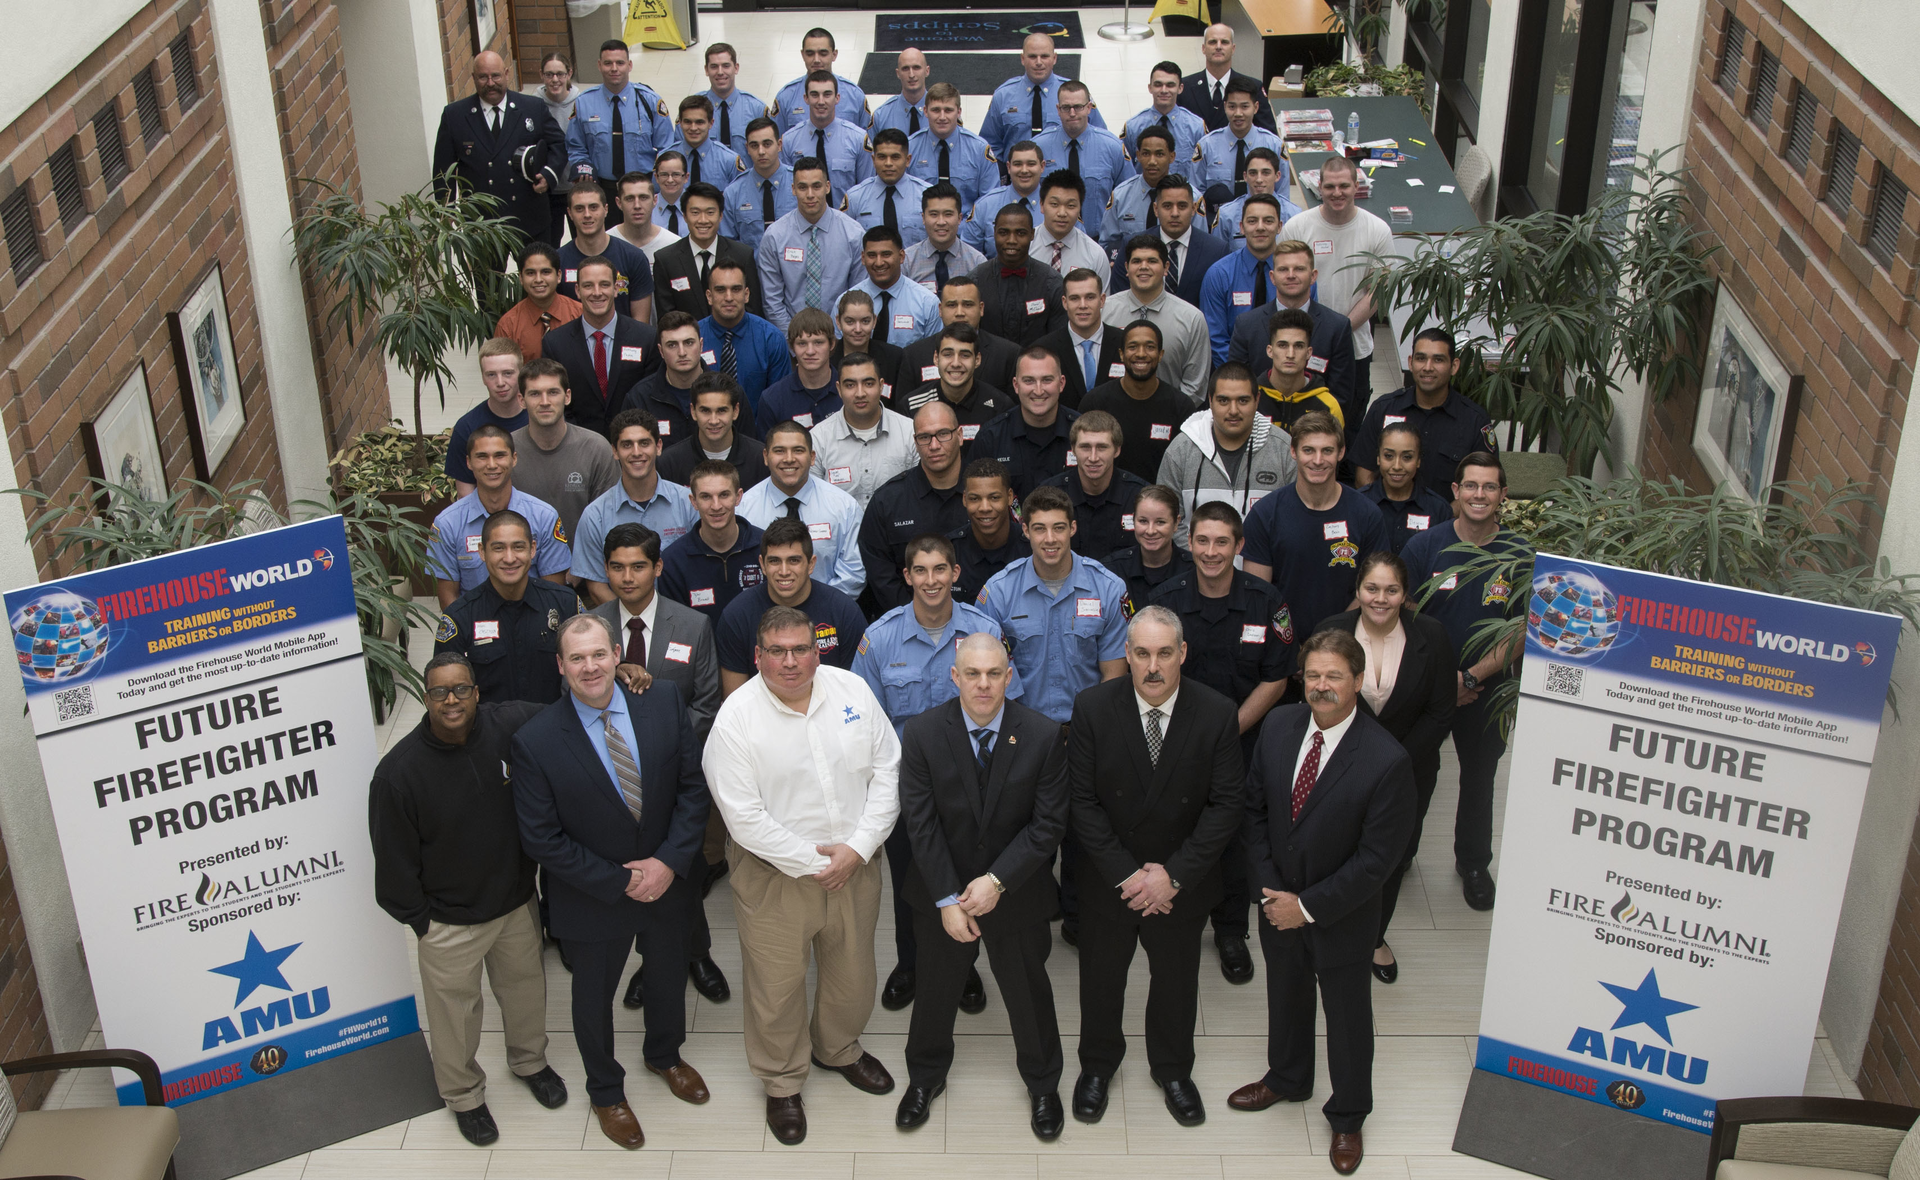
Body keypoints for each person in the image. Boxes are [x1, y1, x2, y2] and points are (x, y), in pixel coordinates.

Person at [511, 614, 712, 1149]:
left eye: (599, 654)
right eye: (576, 658)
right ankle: (604, 1090)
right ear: (560, 666)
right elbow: (542, 838)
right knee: (592, 998)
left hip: (668, 880)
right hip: (594, 893)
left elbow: (693, 790)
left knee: (668, 974)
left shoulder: (664, 702)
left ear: (618, 652)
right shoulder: (534, 741)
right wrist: (619, 879)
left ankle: (664, 1056)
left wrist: (667, 862)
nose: (590, 667)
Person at [704, 604, 898, 1146]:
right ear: (758, 656)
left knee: (853, 972)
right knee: (777, 986)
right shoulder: (736, 718)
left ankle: (838, 1049)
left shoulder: (852, 692)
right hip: (775, 877)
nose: (791, 662)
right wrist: (819, 863)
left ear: (818, 650)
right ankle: (782, 1080)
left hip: (856, 865)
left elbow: (888, 770)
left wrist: (857, 850)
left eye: (801, 650)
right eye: (778, 652)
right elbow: (742, 817)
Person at [1236, 628, 1416, 1177]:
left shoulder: (1387, 761)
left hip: (1339, 916)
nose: (1321, 686)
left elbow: (1376, 862)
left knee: (1347, 1017)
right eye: (1312, 675)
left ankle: (1347, 1115)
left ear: (1358, 682)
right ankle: (1288, 1078)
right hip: (1276, 905)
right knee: (1285, 994)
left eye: (1334, 676)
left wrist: (1306, 906)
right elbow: (1254, 812)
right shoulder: (1278, 725)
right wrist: (1271, 893)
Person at [370, 652, 569, 1146]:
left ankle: (530, 1063)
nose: (451, 700)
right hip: (447, 921)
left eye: (461, 689)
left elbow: (572, 707)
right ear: (425, 697)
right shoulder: (397, 774)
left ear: (478, 693)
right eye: (439, 692)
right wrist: (422, 922)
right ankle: (463, 1095)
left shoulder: (510, 725)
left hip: (515, 904)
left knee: (525, 994)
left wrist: (623, 673)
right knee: (455, 1017)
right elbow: (392, 863)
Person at [1067, 606, 1244, 1128]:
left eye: (1164, 653)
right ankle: (1097, 1066)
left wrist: (1172, 875)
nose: (1152, 666)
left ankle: (1172, 1069)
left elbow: (1226, 805)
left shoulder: (1215, 712)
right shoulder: (1093, 708)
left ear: (1183, 654)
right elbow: (1081, 802)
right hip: (1109, 882)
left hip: (1179, 883)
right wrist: (1127, 875)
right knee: (1100, 980)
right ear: (1127, 653)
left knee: (1175, 981)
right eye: (1141, 653)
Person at [895, 632, 1067, 1139]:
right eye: (973, 673)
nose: (984, 684)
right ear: (955, 676)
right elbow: (920, 824)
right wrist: (949, 898)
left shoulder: (1043, 734)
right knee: (935, 991)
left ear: (1010, 676)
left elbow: (1048, 826)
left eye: (995, 673)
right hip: (941, 894)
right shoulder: (923, 733)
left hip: (1016, 891)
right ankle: (925, 1078)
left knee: (1028, 993)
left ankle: (1043, 1084)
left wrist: (995, 882)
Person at [852, 535, 1013, 1015]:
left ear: (955, 574)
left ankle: (965, 968)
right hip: (909, 791)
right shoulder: (879, 638)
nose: (931, 580)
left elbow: (1007, 703)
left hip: (975, 787)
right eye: (920, 571)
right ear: (906, 577)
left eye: (940, 569)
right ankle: (910, 965)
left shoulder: (985, 632)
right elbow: (863, 721)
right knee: (912, 885)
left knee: (970, 881)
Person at [1147, 502, 1294, 985]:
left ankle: (1230, 930)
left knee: (1234, 839)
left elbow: (1276, 678)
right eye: (1203, 541)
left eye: (1222, 542)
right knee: (1178, 830)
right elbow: (1151, 673)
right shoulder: (1166, 600)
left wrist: (1225, 732)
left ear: (1239, 546)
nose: (1211, 552)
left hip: (1242, 744)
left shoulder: (1267, 602)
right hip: (1175, 745)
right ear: (1190, 543)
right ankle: (1174, 909)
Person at [590, 524, 730, 1009]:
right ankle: (652, 963)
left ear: (658, 567)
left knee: (683, 873)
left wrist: (660, 760)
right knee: (637, 877)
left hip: (676, 779)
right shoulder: (590, 627)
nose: (627, 577)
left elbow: (708, 704)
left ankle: (697, 956)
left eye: (638, 566)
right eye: (617, 567)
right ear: (605, 569)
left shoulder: (691, 625)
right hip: (612, 782)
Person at [1313, 552, 1455, 984]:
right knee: (1333, 852)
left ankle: (1374, 937)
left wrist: (1390, 765)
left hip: (1408, 772)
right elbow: (1313, 701)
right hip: (1336, 770)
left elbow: (1441, 711)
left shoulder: (1431, 635)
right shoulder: (1329, 632)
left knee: (1389, 860)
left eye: (1391, 589)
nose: (1380, 598)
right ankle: (1324, 926)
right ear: (1357, 591)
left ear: (1405, 594)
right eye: (1371, 588)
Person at [1398, 453, 1529, 914]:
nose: (1479, 495)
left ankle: (1473, 863)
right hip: (1428, 687)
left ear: (1502, 496)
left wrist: (1471, 676)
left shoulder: (1519, 556)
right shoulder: (1425, 547)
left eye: (1489, 487)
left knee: (1479, 777)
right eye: (1470, 486)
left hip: (1487, 687)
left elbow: (1521, 629)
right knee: (1417, 772)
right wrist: (1442, 679)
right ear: (1455, 492)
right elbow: (1403, 613)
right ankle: (1401, 851)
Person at [976, 483, 1130, 729]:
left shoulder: (1108, 588)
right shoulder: (998, 593)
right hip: (1020, 728)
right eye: (1039, 529)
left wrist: (1091, 731)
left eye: (1058, 528)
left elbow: (1113, 676)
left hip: (1089, 727)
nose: (1050, 539)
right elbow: (987, 674)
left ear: (1072, 528)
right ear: (1025, 530)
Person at [1242, 411, 1392, 639]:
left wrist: (1331, 640)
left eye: (1327, 451)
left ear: (1341, 452)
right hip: (1281, 646)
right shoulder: (1265, 514)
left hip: (1348, 642)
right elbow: (1259, 593)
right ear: (1293, 451)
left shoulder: (1367, 514)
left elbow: (1374, 588)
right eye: (1308, 450)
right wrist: (1289, 645)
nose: (1318, 460)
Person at [1282, 156, 1394, 437]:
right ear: (1318, 187)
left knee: (1348, 426)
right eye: (1330, 186)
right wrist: (1313, 334)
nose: (1337, 193)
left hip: (1354, 348)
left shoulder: (1377, 230)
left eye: (1344, 185)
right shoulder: (1297, 227)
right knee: (1300, 426)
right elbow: (1286, 282)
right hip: (1303, 347)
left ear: (1357, 186)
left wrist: (1338, 330)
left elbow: (1378, 291)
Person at [434, 509, 580, 705]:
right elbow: (446, 693)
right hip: (488, 732)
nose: (510, 558)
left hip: (554, 729)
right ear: (482, 552)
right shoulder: (460, 617)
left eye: (518, 547)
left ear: (532, 549)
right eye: (498, 548)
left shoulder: (565, 604)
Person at [714, 518, 868, 692]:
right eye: (774, 561)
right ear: (762, 565)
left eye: (794, 561)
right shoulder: (737, 616)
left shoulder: (844, 612)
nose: (784, 571)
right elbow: (735, 699)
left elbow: (855, 690)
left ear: (811, 564)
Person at [432, 51, 565, 249]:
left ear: (506, 74)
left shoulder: (532, 107)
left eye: (495, 76)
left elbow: (559, 145)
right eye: (483, 77)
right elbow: (443, 169)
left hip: (529, 218)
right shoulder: (455, 116)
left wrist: (549, 174)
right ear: (473, 78)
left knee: (538, 279)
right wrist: (447, 210)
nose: (490, 83)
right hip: (483, 225)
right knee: (487, 281)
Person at [1155, 363, 1297, 545]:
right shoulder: (1181, 450)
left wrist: (1261, 563)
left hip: (1263, 571)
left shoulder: (1284, 450)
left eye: (1243, 401)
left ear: (1257, 400)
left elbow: (1293, 521)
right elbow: (1167, 520)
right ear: (1210, 400)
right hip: (1195, 568)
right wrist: (1202, 560)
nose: (1233, 411)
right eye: (1223, 400)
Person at [429, 428, 571, 606]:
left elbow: (553, 593)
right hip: (475, 627)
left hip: (534, 623)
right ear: (469, 462)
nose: (491, 465)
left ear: (514, 459)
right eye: (482, 456)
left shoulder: (544, 517)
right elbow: (448, 599)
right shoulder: (448, 524)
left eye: (499, 455)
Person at [1352, 330, 1499, 497]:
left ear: (1454, 366)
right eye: (1421, 358)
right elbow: (1363, 475)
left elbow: (1484, 484)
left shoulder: (1474, 421)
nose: (1428, 368)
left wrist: (1442, 518)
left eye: (1438, 360)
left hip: (1449, 520)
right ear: (1411, 362)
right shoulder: (1383, 409)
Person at [572, 411, 699, 604]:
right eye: (626, 445)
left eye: (644, 443)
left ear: (658, 446)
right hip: (624, 625)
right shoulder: (595, 515)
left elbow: (699, 568)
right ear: (614, 451)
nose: (636, 452)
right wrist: (636, 622)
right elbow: (597, 587)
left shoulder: (689, 503)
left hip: (681, 618)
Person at [1224, 239, 1357, 421]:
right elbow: (1237, 386)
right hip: (1257, 429)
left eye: (1299, 269)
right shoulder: (1247, 325)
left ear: (1313, 276)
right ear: (1272, 276)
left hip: (1316, 431)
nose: (1291, 275)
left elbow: (1342, 396)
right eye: (1283, 269)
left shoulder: (1337, 327)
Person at [858, 401, 970, 612]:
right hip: (906, 622)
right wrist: (918, 617)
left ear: (960, 435)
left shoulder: (982, 496)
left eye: (943, 433)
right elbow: (880, 575)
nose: (934, 445)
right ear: (915, 442)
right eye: (925, 437)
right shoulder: (887, 501)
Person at [738, 420, 866, 596]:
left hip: (826, 615)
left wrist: (819, 607)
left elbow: (854, 571)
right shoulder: (744, 509)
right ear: (766, 457)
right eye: (779, 451)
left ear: (812, 457)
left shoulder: (843, 507)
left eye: (798, 450)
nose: (789, 459)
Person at [544, 255, 658, 437]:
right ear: (577, 290)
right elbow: (555, 401)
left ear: (616, 288)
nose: (597, 292)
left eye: (604, 284)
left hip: (633, 445)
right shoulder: (555, 343)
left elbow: (651, 398)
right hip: (579, 446)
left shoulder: (646, 338)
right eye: (588, 285)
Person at [512, 358, 621, 542]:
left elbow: (609, 521)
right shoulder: (505, 451)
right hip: (520, 566)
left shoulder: (596, 449)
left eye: (553, 392)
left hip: (585, 565)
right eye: (535, 394)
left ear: (567, 396)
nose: (545, 402)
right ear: (521, 400)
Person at [565, 40, 674, 219]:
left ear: (629, 65)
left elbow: (667, 148)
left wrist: (654, 187)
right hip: (602, 190)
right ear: (599, 66)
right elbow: (576, 146)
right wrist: (583, 168)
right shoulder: (584, 103)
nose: (614, 68)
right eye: (608, 63)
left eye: (620, 63)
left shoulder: (650, 101)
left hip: (642, 191)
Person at [1081, 319, 1195, 484]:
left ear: (1160, 354)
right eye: (1133, 347)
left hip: (1161, 503)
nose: (1141, 354)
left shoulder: (1181, 407)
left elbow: (1187, 468)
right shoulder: (1095, 403)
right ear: (1121, 354)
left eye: (1150, 347)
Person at [758, 158, 866, 331]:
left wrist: (839, 340)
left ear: (827, 187)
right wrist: (793, 342)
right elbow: (772, 301)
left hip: (841, 337)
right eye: (802, 187)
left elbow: (859, 295)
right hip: (792, 339)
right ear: (793, 189)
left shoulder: (853, 234)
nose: (810, 194)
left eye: (816, 186)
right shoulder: (775, 236)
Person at [1103, 237, 1211, 403]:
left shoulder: (1192, 319)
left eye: (1152, 261)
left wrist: (1166, 412)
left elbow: (1195, 386)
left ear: (1166, 267)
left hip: (1171, 420)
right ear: (1126, 268)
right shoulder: (1104, 312)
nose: (1144, 267)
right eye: (1136, 261)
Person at [659, 458, 766, 622]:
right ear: (693, 501)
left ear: (738, 497)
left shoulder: (766, 548)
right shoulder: (673, 562)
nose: (716, 506)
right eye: (706, 497)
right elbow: (677, 628)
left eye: (724, 495)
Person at [809, 352, 917, 511]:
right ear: (839, 389)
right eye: (850, 385)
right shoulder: (818, 438)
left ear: (881, 386)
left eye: (868, 383)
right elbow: (813, 500)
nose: (860, 393)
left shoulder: (909, 432)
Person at [1038, 411, 1150, 562]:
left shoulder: (1140, 497)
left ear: (1117, 450)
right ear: (1073, 449)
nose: (1093, 458)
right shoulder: (1048, 496)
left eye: (1102, 447)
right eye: (1085, 447)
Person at [977, 33, 1109, 160]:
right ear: (1022, 59)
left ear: (1054, 58)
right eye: (1032, 56)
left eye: (1045, 56)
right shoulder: (1003, 95)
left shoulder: (1074, 94)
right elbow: (990, 144)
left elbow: (1099, 136)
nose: (1038, 62)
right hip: (1018, 175)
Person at [971, 346, 1079, 496]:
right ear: (1016, 385)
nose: (1039, 390)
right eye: (1029, 381)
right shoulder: (990, 438)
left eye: (1047, 380)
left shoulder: (1083, 433)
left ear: (1061, 383)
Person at [651, 182, 764, 323]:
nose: (703, 220)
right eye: (695, 213)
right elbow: (666, 318)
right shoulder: (666, 260)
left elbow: (752, 311)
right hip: (686, 342)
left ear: (721, 216)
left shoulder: (742, 255)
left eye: (710, 213)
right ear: (685, 216)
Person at [1200, 194, 1288, 366]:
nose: (1260, 227)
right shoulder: (1219, 274)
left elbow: (1308, 329)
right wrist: (1242, 379)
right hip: (1235, 379)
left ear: (1279, 227)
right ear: (1241, 227)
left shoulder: (1296, 275)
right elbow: (1216, 340)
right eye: (1252, 221)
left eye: (1268, 221)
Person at [1034, 82, 1129, 241]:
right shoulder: (1039, 147)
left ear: (1089, 107)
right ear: (1058, 109)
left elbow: (1127, 196)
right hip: (1051, 240)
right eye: (1066, 107)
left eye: (1078, 107)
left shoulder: (1112, 147)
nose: (1072, 113)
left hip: (1098, 240)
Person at [898, 278, 1020, 395]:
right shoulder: (913, 355)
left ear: (981, 308)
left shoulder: (1008, 354)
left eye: (968, 305)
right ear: (940, 310)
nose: (960, 313)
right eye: (951, 305)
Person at [698, 261, 791, 413]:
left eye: (736, 289)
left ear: (746, 294)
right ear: (709, 296)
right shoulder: (693, 338)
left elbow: (780, 402)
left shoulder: (771, 339)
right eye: (720, 290)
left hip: (757, 433)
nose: (728, 297)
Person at [558, 181, 654, 322]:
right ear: (570, 213)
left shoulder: (634, 257)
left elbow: (641, 325)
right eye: (579, 209)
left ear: (606, 209)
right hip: (571, 342)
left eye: (593, 207)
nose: (587, 215)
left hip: (625, 341)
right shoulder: (558, 260)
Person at [971, 204, 1063, 349]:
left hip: (1037, 368)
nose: (1011, 240)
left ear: (1032, 234)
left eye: (1020, 233)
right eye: (1004, 233)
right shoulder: (975, 282)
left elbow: (1059, 341)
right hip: (987, 368)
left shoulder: (1052, 283)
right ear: (994, 233)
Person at [447, 339, 530, 495]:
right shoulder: (466, 427)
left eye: (508, 373)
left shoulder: (538, 420)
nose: (500, 382)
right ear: (483, 378)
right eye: (491, 374)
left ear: (521, 374)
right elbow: (465, 497)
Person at [658, 373, 769, 489]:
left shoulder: (761, 459)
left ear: (735, 411)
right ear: (693, 411)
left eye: (721, 411)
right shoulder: (670, 463)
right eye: (705, 411)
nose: (714, 420)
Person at [898, 323, 1014, 432]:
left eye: (965, 355)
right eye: (948, 354)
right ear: (936, 358)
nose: (956, 363)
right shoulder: (911, 406)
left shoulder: (999, 406)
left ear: (977, 360)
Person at [1193, 79, 1288, 213]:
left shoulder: (1274, 145)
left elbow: (1283, 197)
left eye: (1244, 107)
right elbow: (1197, 196)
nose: (1238, 113)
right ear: (1225, 106)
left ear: (1255, 107)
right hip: (1219, 223)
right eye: (1232, 107)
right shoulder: (1207, 146)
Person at [1037, 269, 1125, 411]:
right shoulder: (1044, 349)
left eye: (1090, 297)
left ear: (1102, 300)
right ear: (1064, 302)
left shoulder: (1125, 344)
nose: (1082, 305)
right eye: (1075, 298)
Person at [780, 73, 876, 202]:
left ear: (837, 98)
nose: (821, 101)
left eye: (827, 94)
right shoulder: (789, 141)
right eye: (814, 95)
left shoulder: (858, 139)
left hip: (846, 219)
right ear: (806, 98)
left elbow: (867, 190)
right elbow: (787, 192)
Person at [1360, 423, 1454, 553]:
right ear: (1378, 458)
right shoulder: (1358, 504)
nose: (1397, 466)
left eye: (1407, 457)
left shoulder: (1439, 510)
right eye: (1388, 456)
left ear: (1418, 461)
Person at [906, 85, 998, 215]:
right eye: (936, 110)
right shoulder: (910, 148)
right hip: (922, 228)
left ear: (959, 112)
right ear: (925, 111)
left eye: (948, 110)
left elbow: (990, 203)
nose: (942, 117)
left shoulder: (979, 150)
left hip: (967, 231)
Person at [949, 457, 1030, 604]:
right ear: (965, 499)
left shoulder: (1032, 548)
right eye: (975, 499)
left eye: (994, 497)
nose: (985, 508)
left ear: (1009, 497)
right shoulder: (949, 551)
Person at [1102, 484, 1193, 612]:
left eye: (1160, 522)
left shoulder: (1194, 571)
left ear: (1176, 523)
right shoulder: (1112, 571)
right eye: (1143, 521)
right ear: (1133, 520)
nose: (1150, 531)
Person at [1255, 309, 1347, 432]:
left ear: (1309, 353)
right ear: (1270, 351)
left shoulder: (1328, 406)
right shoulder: (1251, 398)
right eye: (1283, 345)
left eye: (1298, 346)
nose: (1290, 354)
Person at [850, 226, 941, 347]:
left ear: (902, 256)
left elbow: (932, 353)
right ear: (863, 258)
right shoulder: (846, 301)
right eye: (872, 255)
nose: (879, 263)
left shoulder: (927, 303)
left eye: (886, 254)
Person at [756, 308, 842, 435]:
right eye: (802, 343)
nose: (810, 351)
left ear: (832, 344)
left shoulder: (851, 391)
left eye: (818, 342)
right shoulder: (772, 399)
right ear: (792, 346)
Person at [626, 310, 706, 446]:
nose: (682, 352)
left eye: (689, 343)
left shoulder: (727, 391)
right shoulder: (640, 398)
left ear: (701, 345)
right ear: (661, 351)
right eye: (672, 345)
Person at [1179, 25, 1279, 132]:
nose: (1218, 46)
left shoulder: (1253, 86)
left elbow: (1268, 134)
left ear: (1233, 49)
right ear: (1203, 48)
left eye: (1224, 42)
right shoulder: (1185, 87)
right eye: (1212, 42)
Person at [772, 28, 870, 135]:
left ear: (834, 55)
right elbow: (776, 143)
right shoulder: (786, 97)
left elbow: (866, 142)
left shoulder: (855, 96)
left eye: (823, 53)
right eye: (810, 54)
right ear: (802, 55)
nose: (817, 60)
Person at [721, 117, 796, 254]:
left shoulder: (799, 183)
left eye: (767, 144)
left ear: (779, 145)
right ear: (747, 148)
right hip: (752, 271)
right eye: (754, 145)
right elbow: (728, 244)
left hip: (795, 270)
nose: (761, 151)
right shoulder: (733, 193)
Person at [843, 131, 930, 249]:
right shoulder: (855, 198)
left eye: (895, 157)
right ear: (873, 160)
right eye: (882, 157)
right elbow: (845, 245)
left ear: (908, 160)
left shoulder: (927, 196)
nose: (888, 163)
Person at [496, 243, 582, 361]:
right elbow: (502, 371)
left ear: (558, 276)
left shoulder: (580, 314)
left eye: (546, 272)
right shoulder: (508, 325)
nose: (538, 280)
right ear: (521, 278)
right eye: (530, 273)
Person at [1124, 63, 1208, 181]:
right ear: (1150, 88)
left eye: (1170, 85)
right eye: (1158, 85)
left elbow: (1204, 171)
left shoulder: (1196, 127)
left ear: (1180, 88)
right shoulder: (1133, 127)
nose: (1164, 90)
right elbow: (1124, 171)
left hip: (1182, 196)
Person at [1030, 171, 1110, 291]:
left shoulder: (1095, 254)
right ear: (1041, 205)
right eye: (1054, 204)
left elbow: (1102, 306)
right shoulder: (1026, 245)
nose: (1062, 213)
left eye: (1071, 206)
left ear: (1080, 208)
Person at [963, 140, 1047, 254]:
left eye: (1031, 164)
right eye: (1017, 164)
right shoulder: (985, 206)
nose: (1024, 170)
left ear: (1042, 166)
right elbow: (968, 255)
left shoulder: (1055, 207)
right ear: (1008, 167)